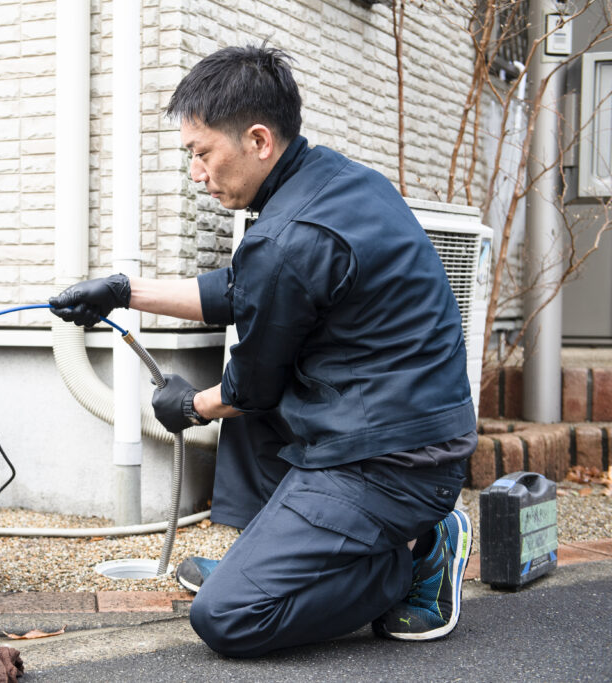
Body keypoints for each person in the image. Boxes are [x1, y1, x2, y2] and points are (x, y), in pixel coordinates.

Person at [49, 45, 477, 658]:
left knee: (227, 617)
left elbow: (250, 388)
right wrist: (124, 292)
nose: (196, 173)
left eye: (202, 154)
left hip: (391, 463)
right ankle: (282, 552)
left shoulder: (289, 235)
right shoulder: (337, 179)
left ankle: (409, 558)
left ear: (257, 140)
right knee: (252, 428)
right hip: (398, 425)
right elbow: (246, 289)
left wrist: (187, 404)